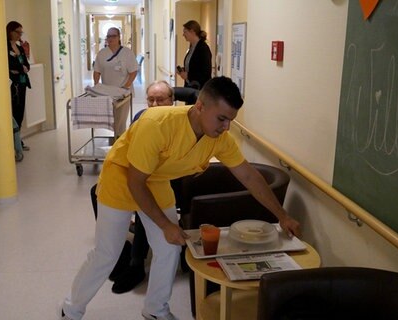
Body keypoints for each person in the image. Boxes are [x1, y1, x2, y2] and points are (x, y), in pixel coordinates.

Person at [61, 76, 301, 320]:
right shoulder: (157, 124)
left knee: (168, 248)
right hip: (122, 178)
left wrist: (281, 216)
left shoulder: (219, 139)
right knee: (107, 254)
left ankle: (155, 310)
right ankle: (71, 309)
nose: (226, 127)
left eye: (230, 120)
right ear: (200, 107)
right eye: (221, 118)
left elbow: (249, 177)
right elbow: (135, 182)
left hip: (155, 181)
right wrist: (166, 225)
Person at [90, 80, 175, 295]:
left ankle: (137, 265)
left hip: (164, 181)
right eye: (151, 99)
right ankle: (119, 252)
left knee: (144, 203)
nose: (155, 104)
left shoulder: (177, 122)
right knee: (96, 191)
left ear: (172, 101)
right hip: (139, 176)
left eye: (161, 99)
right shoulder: (141, 118)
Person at [93, 27, 138, 137]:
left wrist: (124, 88)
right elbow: (97, 71)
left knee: (120, 121)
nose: (110, 38)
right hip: (107, 92)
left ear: (119, 37)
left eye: (113, 36)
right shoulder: (102, 53)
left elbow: (133, 72)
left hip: (123, 93)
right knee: (111, 120)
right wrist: (96, 87)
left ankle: (119, 143)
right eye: (108, 36)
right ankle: (115, 141)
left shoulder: (127, 53)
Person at [6, 21, 31, 151]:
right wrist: (20, 68)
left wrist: (21, 69)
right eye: (18, 32)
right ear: (10, 31)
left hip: (22, 84)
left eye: (21, 32)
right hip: (12, 85)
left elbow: (27, 66)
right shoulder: (4, 48)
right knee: (13, 114)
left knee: (20, 113)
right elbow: (10, 66)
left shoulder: (20, 47)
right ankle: (11, 144)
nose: (19, 35)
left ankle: (18, 141)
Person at [176, 20, 212, 104]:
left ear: (192, 31)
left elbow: (205, 72)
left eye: (185, 32)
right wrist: (183, 70)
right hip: (190, 87)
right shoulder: (192, 47)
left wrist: (188, 75)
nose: (183, 35)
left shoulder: (203, 48)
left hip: (199, 90)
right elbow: (194, 66)